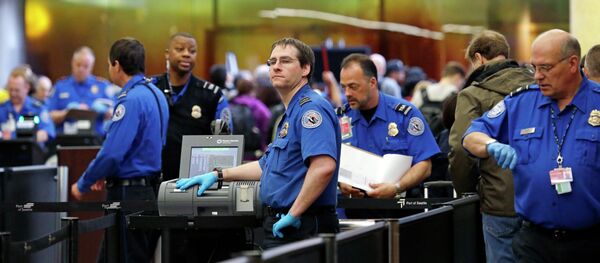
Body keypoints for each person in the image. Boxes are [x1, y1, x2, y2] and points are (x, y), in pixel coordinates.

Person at [176, 37, 341, 249]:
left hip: (302, 224)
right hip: (288, 222)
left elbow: (323, 167)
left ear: (305, 68)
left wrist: (294, 213)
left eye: (285, 61)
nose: (276, 67)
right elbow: (266, 165)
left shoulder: (311, 109)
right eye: (272, 62)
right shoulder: (291, 113)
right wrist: (218, 175)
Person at [462, 29, 600, 262]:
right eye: (534, 67)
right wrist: (490, 145)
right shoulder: (521, 103)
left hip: (590, 241)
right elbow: (470, 136)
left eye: (545, 68)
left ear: (572, 63)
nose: (537, 76)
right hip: (534, 241)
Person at [70, 38, 169, 262]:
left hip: (129, 195)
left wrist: (84, 182)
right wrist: (107, 172)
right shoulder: (155, 93)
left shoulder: (130, 100)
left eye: (108, 64)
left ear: (116, 65)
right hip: (150, 191)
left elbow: (112, 153)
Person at [449, 30, 534, 263]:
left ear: (479, 58)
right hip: (540, 200)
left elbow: (460, 150)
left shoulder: (472, 95)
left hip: (499, 202)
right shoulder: (538, 87)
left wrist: (468, 193)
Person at [336, 54, 440, 218]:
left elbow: (424, 165)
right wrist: (340, 182)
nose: (347, 93)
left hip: (400, 211)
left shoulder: (405, 114)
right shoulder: (339, 119)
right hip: (354, 213)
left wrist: (397, 187)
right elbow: (326, 164)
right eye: (343, 87)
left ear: (372, 82)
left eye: (353, 86)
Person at [152, 32, 230, 181]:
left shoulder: (212, 95)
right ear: (167, 54)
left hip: (194, 180)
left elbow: (225, 141)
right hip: (152, 179)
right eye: (180, 49)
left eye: (192, 51)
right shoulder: (151, 89)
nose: (187, 54)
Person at [48, 46, 113, 136]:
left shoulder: (102, 86)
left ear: (91, 67)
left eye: (86, 66)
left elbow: (115, 113)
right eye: (78, 65)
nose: (81, 69)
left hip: (96, 140)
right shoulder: (60, 86)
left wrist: (105, 112)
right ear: (72, 63)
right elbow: (49, 116)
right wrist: (67, 113)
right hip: (66, 140)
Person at [0, 66, 55, 143]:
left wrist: (17, 137)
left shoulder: (38, 109)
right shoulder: (2, 109)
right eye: (10, 89)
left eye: (17, 90)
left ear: (27, 88)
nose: (13, 93)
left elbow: (47, 133)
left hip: (30, 152)